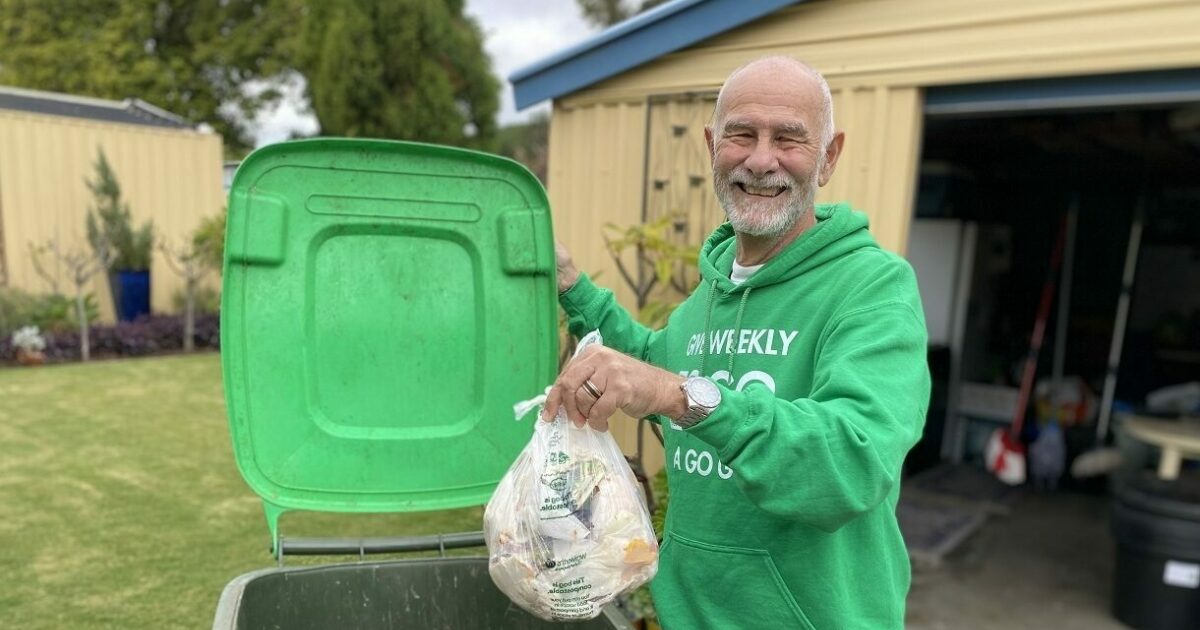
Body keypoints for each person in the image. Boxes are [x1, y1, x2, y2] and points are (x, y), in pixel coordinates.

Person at [542, 56, 931, 629]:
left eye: (789, 138)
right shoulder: (710, 294)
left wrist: (678, 394)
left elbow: (850, 464)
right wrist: (575, 290)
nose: (761, 159)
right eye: (741, 135)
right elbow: (655, 369)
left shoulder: (873, 288)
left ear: (829, 156)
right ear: (711, 146)